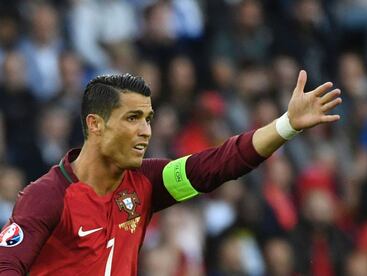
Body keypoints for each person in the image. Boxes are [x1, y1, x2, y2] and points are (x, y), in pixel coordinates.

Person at [0, 70, 341, 275]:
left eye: (148, 119)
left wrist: (287, 125)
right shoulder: (46, 197)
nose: (146, 131)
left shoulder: (146, 183)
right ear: (96, 125)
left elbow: (218, 165)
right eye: (132, 118)